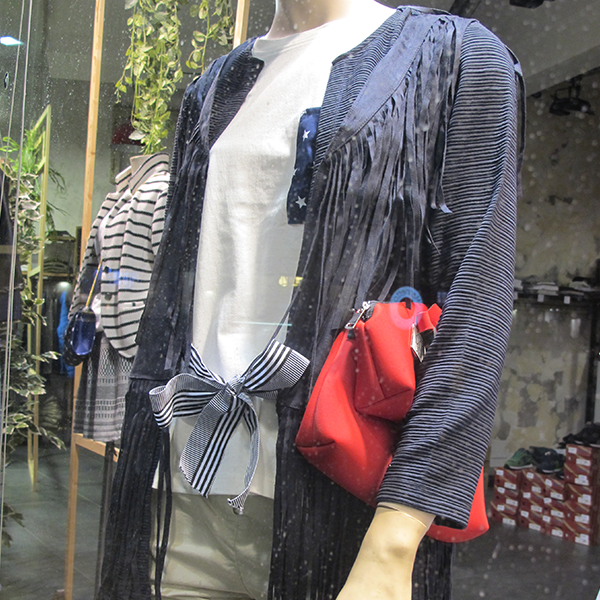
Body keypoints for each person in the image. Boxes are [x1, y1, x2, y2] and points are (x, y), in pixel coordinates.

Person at [98, 2, 522, 599]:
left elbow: (476, 308)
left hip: (345, 512)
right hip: (185, 493)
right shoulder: (214, 87)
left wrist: (396, 538)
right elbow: (175, 299)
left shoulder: (453, 57)